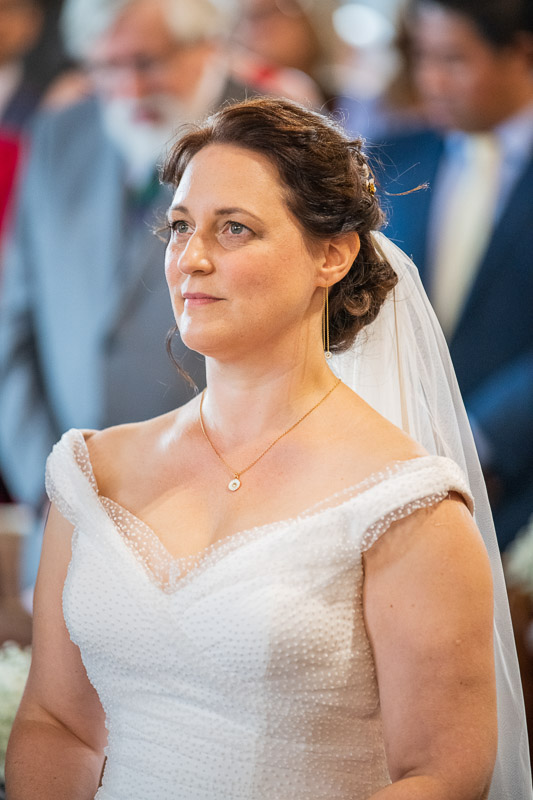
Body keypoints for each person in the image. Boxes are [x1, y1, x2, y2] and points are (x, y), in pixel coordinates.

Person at [5, 98, 531, 799]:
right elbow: (58, 723)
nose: (191, 259)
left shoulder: (406, 503)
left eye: (234, 229)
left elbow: (441, 772)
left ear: (332, 255)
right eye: (181, 226)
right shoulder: (92, 472)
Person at [0, 0, 252, 514]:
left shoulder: (273, 141)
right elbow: (13, 317)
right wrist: (47, 482)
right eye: (106, 67)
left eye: (147, 62)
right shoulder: (58, 134)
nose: (129, 89)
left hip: (215, 505)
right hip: (60, 504)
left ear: (208, 45)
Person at [377, 0, 533, 550]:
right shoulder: (395, 159)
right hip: (395, 465)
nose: (431, 81)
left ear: (521, 53)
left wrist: (483, 440)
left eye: (454, 60)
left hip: (516, 476)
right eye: (424, 58)